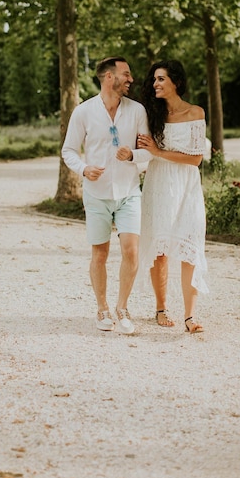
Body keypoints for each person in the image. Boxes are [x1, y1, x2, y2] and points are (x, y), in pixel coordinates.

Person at [62, 56, 152, 334]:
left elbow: (149, 152)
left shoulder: (137, 111)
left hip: (128, 193)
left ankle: (122, 307)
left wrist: (133, 155)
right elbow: (68, 151)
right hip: (97, 195)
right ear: (109, 77)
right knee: (100, 254)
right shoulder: (84, 112)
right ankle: (101, 308)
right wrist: (84, 168)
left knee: (131, 251)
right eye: (126, 74)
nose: (131, 79)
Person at [136, 59, 208, 333]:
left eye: (161, 78)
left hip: (187, 187)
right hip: (159, 184)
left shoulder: (195, 113)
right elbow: (143, 149)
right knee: (161, 250)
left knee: (190, 246)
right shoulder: (151, 115)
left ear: (176, 82)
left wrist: (159, 152)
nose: (155, 83)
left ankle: (190, 316)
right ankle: (161, 308)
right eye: (154, 79)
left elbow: (196, 159)